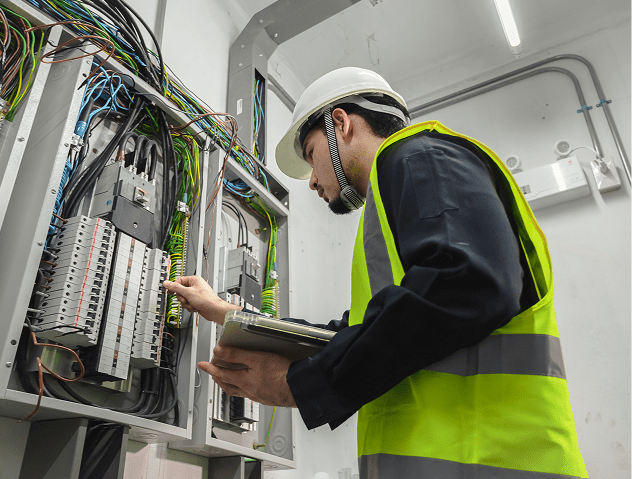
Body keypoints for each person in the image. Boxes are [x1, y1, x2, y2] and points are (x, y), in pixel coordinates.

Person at [163, 67, 588, 478]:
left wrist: (301, 387)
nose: (312, 181)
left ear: (342, 124)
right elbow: (359, 333)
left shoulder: (423, 156)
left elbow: (467, 283)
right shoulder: (397, 198)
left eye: (311, 155)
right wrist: (224, 313)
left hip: (494, 460)